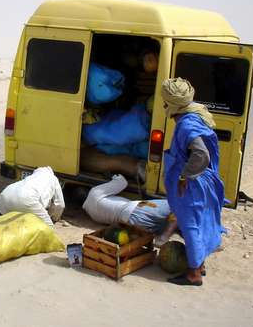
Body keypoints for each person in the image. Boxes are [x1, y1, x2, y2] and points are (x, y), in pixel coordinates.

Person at [160, 77, 226, 286]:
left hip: (192, 184)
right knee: (199, 221)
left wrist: (184, 176)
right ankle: (200, 264)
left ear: (173, 104)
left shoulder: (187, 125)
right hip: (199, 181)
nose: (163, 105)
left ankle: (193, 274)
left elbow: (201, 154)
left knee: (191, 226)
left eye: (165, 102)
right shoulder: (196, 112)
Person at [82, 174, 171, 234]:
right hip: (138, 209)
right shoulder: (94, 193)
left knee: (169, 223)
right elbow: (122, 182)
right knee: (174, 205)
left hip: (134, 226)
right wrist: (114, 176)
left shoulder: (92, 215)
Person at [0, 166, 65, 227]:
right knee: (48, 227)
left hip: (5, 193)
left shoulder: (32, 176)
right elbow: (60, 204)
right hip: (27, 199)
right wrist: (54, 219)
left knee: (4, 225)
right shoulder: (53, 179)